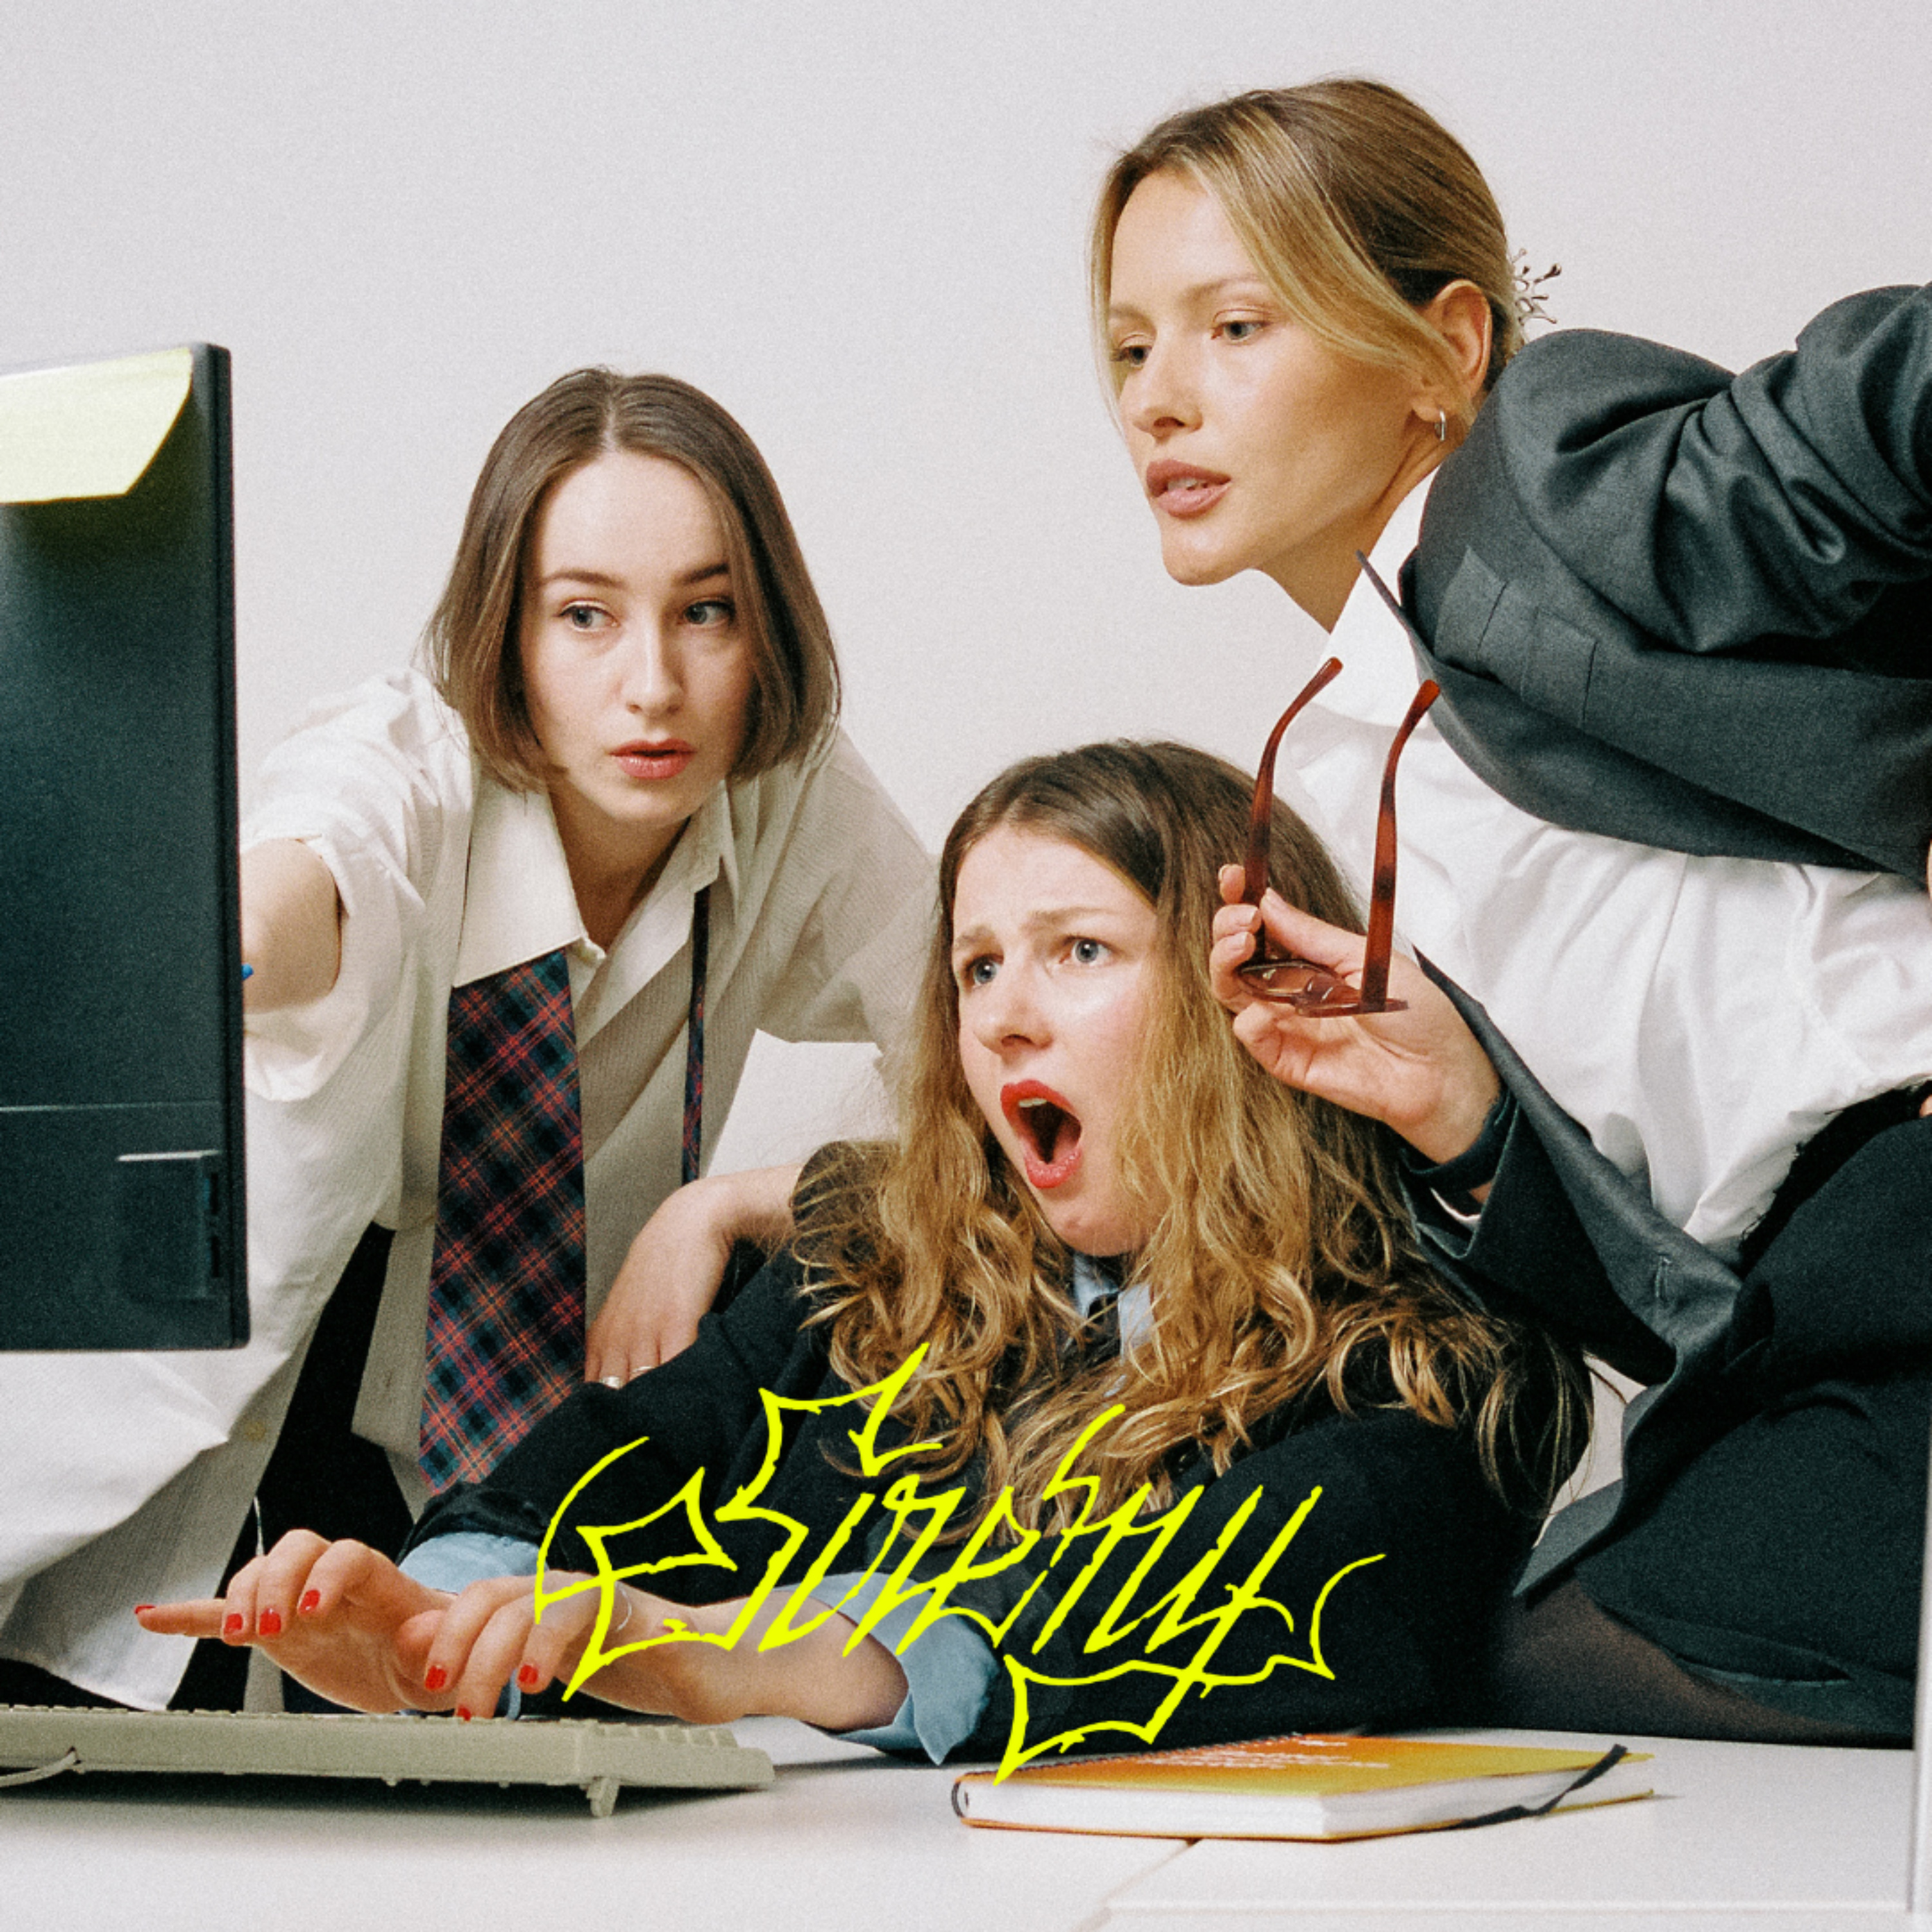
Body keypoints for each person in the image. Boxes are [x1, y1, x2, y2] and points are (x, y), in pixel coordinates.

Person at [137, 741, 1582, 1760]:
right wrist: (437, 1621)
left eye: (1080, 951)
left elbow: (1189, 1592)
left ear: (1246, 994)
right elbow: (609, 1470)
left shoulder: (1436, 1364)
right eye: (977, 965)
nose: (1003, 1014)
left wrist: (717, 1656)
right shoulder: (872, 1284)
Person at [1095, 79, 1932, 1741]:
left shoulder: (1540, 479)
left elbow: (1904, 392)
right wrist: (1469, 1121)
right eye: (1128, 348)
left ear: (1445, 349)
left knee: (1548, 1652)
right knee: (1541, 1633)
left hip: (1906, 1175)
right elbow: (1655, 1294)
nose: (1158, 400)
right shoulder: (1323, 792)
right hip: (1816, 1311)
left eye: (1234, 326)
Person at [0, 370, 931, 1712]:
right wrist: (196, 956)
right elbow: (301, 889)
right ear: (508, 631)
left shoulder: (794, 802)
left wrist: (730, 1204)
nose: (653, 685)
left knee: (448, 1786)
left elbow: (1002, 1065)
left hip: (500, 1480)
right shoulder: (401, 764)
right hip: (188, 1429)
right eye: (585, 615)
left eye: (706, 611)